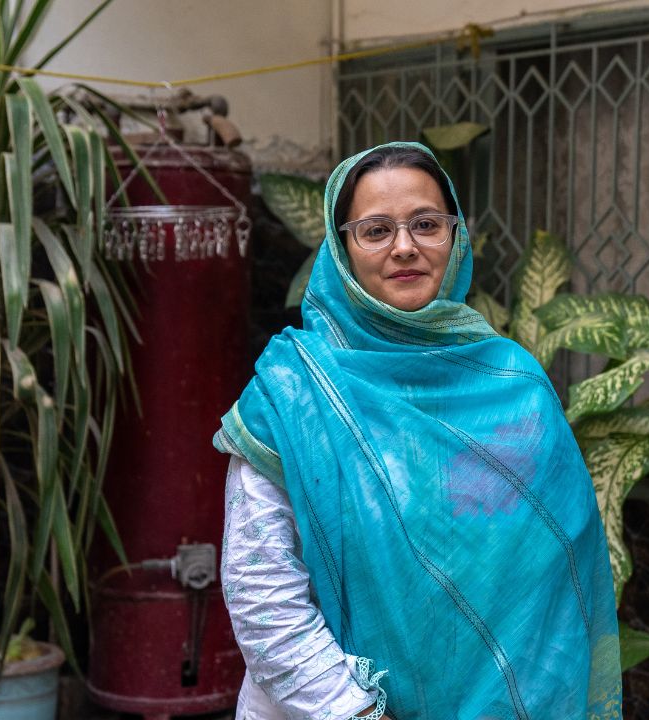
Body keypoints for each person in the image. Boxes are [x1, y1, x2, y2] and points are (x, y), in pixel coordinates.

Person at [214, 142, 623, 720]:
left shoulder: (514, 385)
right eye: (375, 230)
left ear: (455, 236)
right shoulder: (295, 395)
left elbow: (553, 577)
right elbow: (263, 594)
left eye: (426, 224)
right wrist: (358, 713)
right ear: (341, 249)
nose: (404, 247)